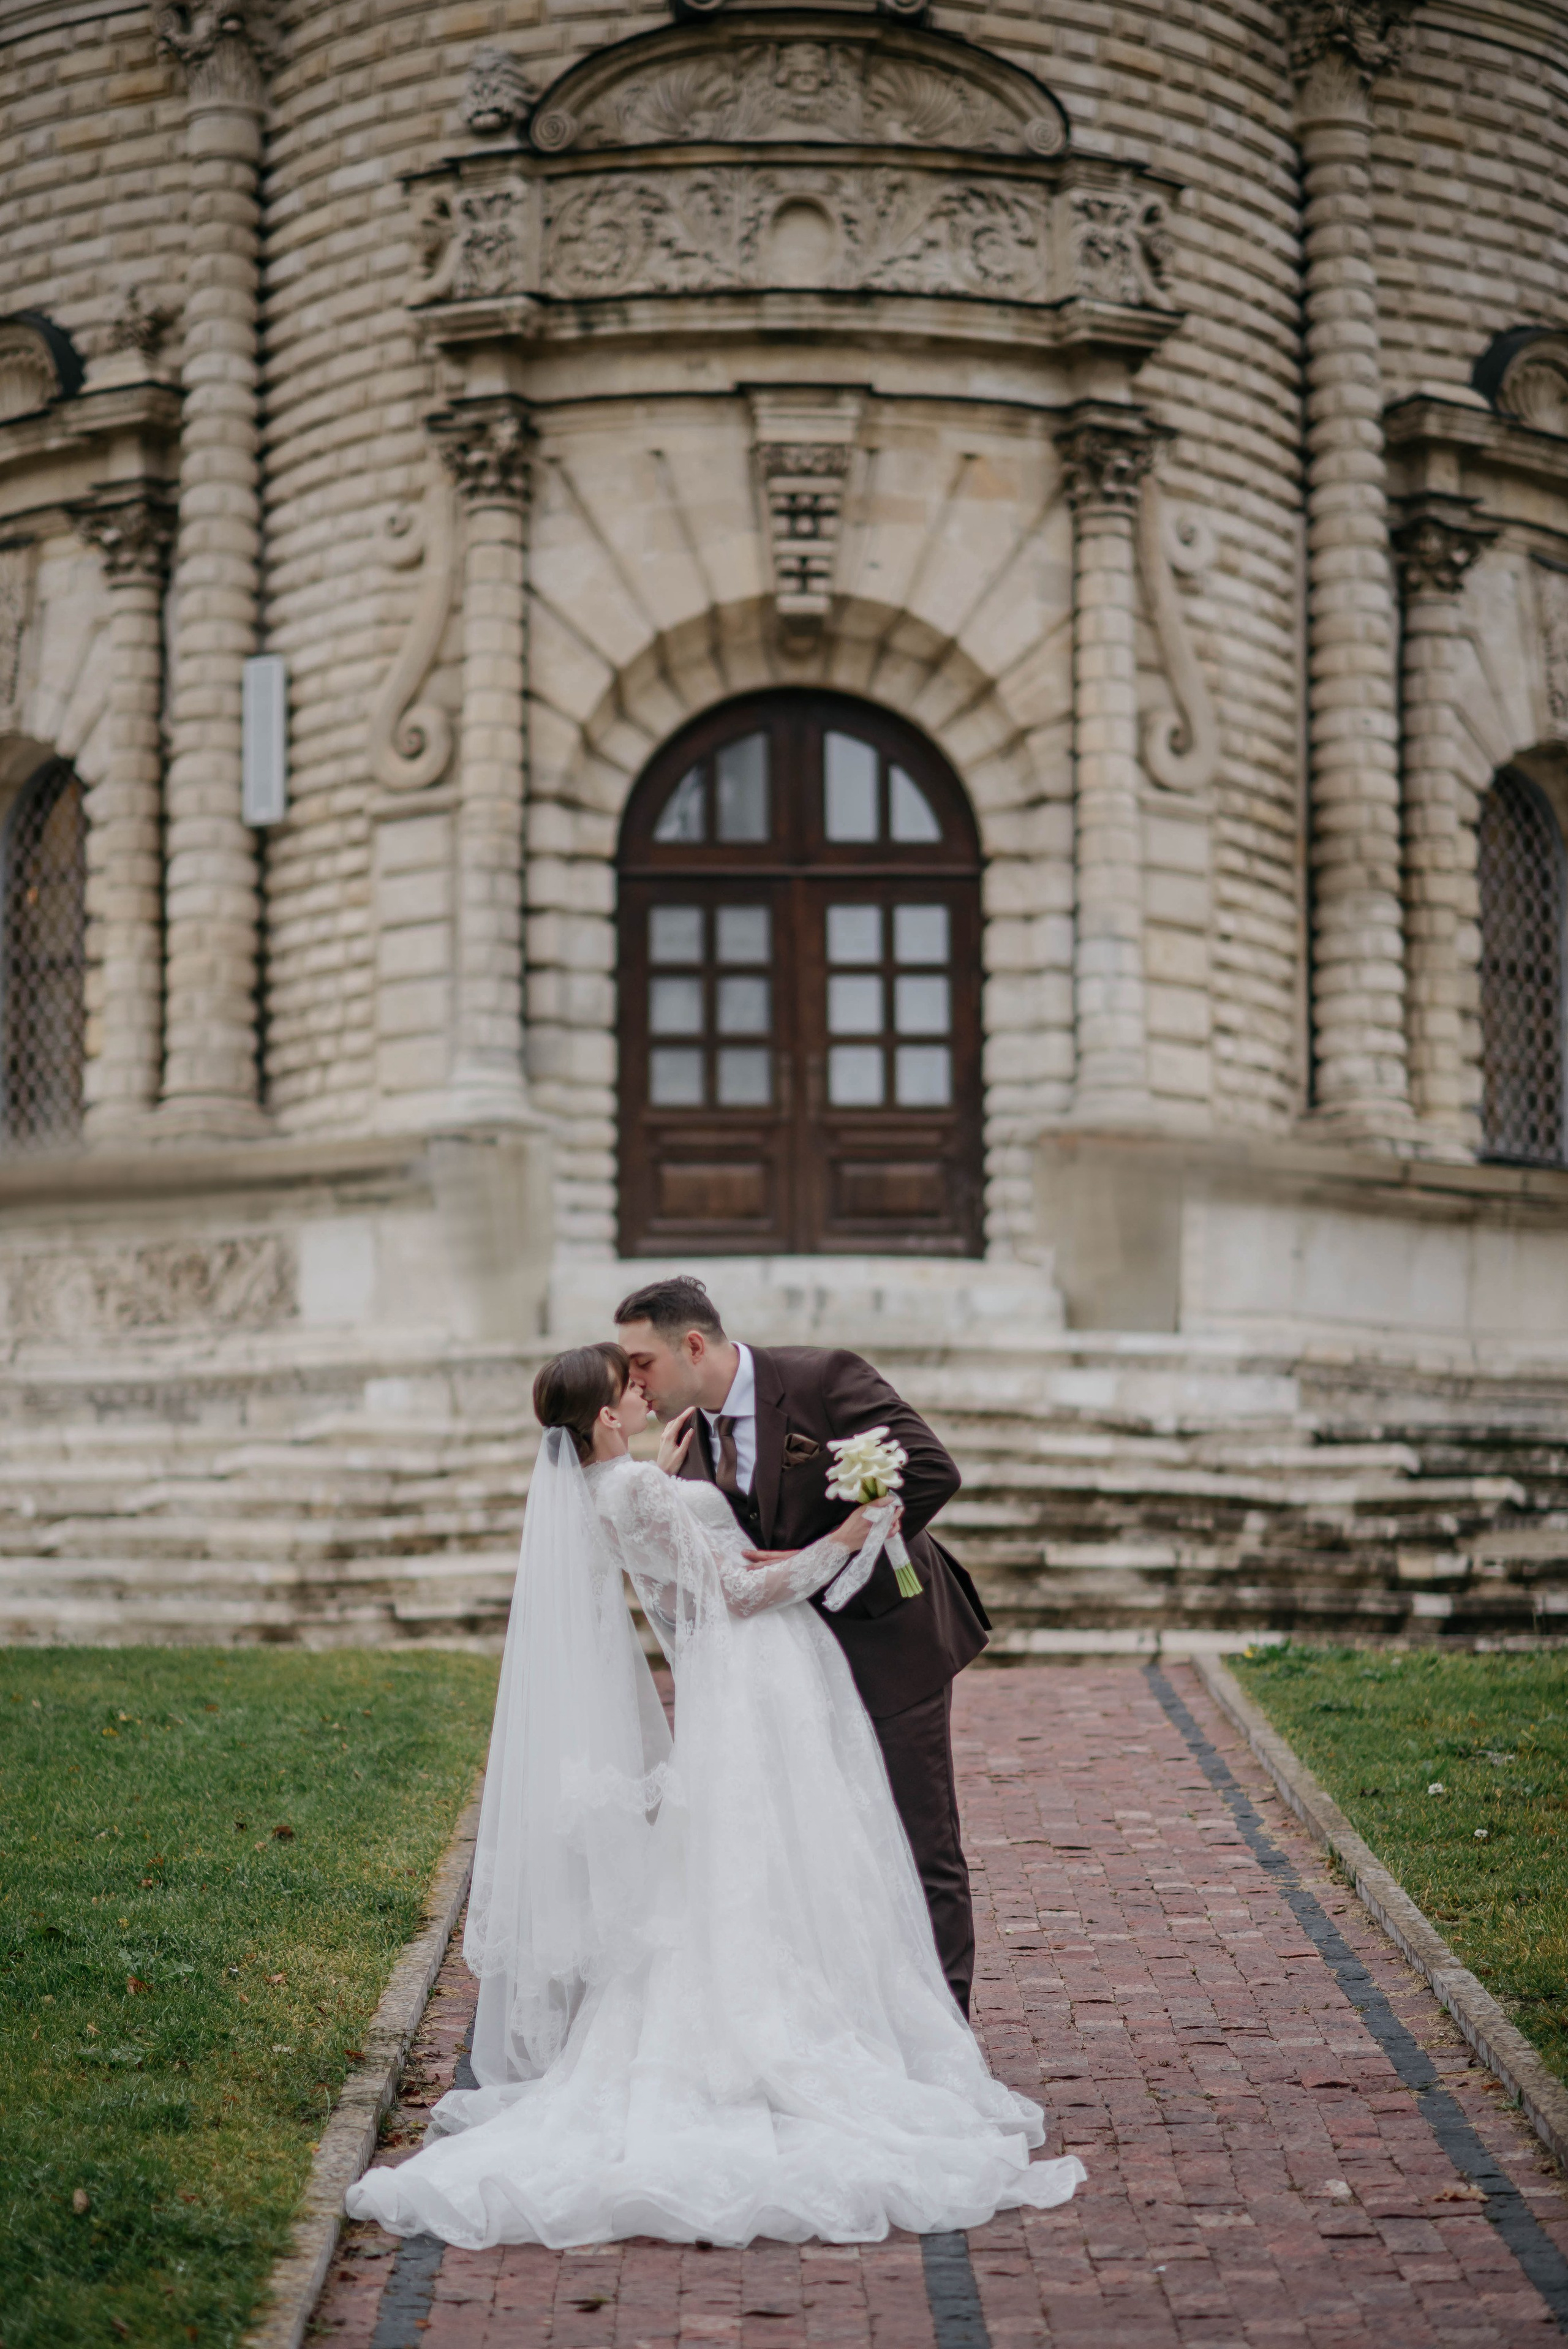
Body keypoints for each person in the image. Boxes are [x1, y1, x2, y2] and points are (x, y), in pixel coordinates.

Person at [345, 1342, 1084, 2250]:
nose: (645, 1387)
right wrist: (842, 1540)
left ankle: (781, 2017)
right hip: (757, 1671)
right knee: (795, 1847)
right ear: (608, 1416)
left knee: (744, 1857)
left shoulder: (603, 1488)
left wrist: (665, 1481)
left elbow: (668, 1554)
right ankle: (797, 2039)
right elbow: (737, 1589)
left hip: (728, 1682)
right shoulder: (642, 1490)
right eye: (631, 1385)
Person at [613, 1275, 988, 2015]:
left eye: (641, 1363)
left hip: (887, 1645)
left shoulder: (823, 1378)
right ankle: (863, 2022)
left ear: (693, 1344)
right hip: (785, 1677)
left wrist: (829, 1550)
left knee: (921, 1845)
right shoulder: (682, 1447)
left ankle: (949, 2033)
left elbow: (931, 1471)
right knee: (829, 1847)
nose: (633, 1383)